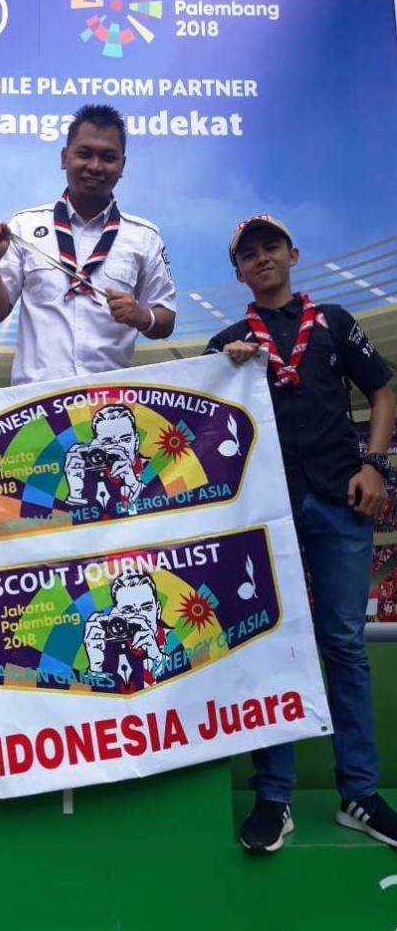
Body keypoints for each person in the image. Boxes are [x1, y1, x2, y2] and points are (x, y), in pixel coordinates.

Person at [204, 214, 396, 852]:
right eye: (249, 254)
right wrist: (223, 371)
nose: (261, 260)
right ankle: (274, 794)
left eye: (271, 248)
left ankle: (359, 794)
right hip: (265, 511)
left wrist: (375, 463)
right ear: (238, 271)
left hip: (341, 499)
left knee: (342, 643)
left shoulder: (335, 321)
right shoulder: (228, 341)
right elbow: (207, 432)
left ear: (292, 254)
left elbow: (383, 390)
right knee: (270, 646)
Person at [0, 103, 177, 385]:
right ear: (65, 157)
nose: (94, 166)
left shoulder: (144, 237)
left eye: (107, 157)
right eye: (84, 154)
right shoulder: (24, 227)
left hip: (109, 400)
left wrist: (142, 316)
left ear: (122, 166)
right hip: (35, 401)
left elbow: (166, 320)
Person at [64, 403, 146, 512]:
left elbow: (168, 503)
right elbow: (65, 521)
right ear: (96, 445)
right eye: (108, 441)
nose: (119, 448)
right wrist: (75, 493)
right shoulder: (88, 477)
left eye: (125, 440)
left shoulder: (151, 469)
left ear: (136, 442)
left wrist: (134, 484)